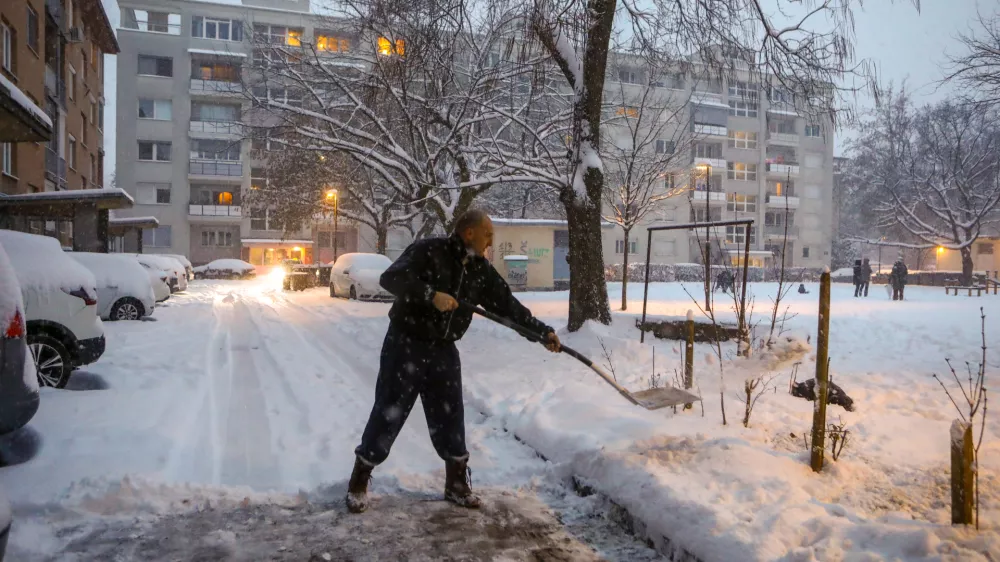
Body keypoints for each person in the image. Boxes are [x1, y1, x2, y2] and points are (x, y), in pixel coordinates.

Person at [345, 209, 561, 513]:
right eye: (488, 234)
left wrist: (542, 332)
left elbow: (507, 305)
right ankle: (360, 479)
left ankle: (457, 483)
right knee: (388, 411)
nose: (491, 241)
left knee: (450, 415)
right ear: (469, 233)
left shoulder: (480, 270)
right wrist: (431, 295)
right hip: (406, 343)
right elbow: (391, 278)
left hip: (443, 349)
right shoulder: (428, 250)